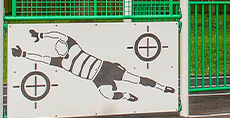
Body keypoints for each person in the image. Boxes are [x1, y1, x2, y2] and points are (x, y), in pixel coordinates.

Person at [12, 29, 175, 102]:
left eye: (63, 46)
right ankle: (126, 96)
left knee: (136, 79)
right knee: (108, 95)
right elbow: (42, 58)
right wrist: (23, 54)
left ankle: (162, 87)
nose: (63, 50)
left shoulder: (74, 47)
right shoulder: (61, 62)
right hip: (97, 79)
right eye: (60, 49)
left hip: (105, 68)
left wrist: (42, 35)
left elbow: (59, 35)